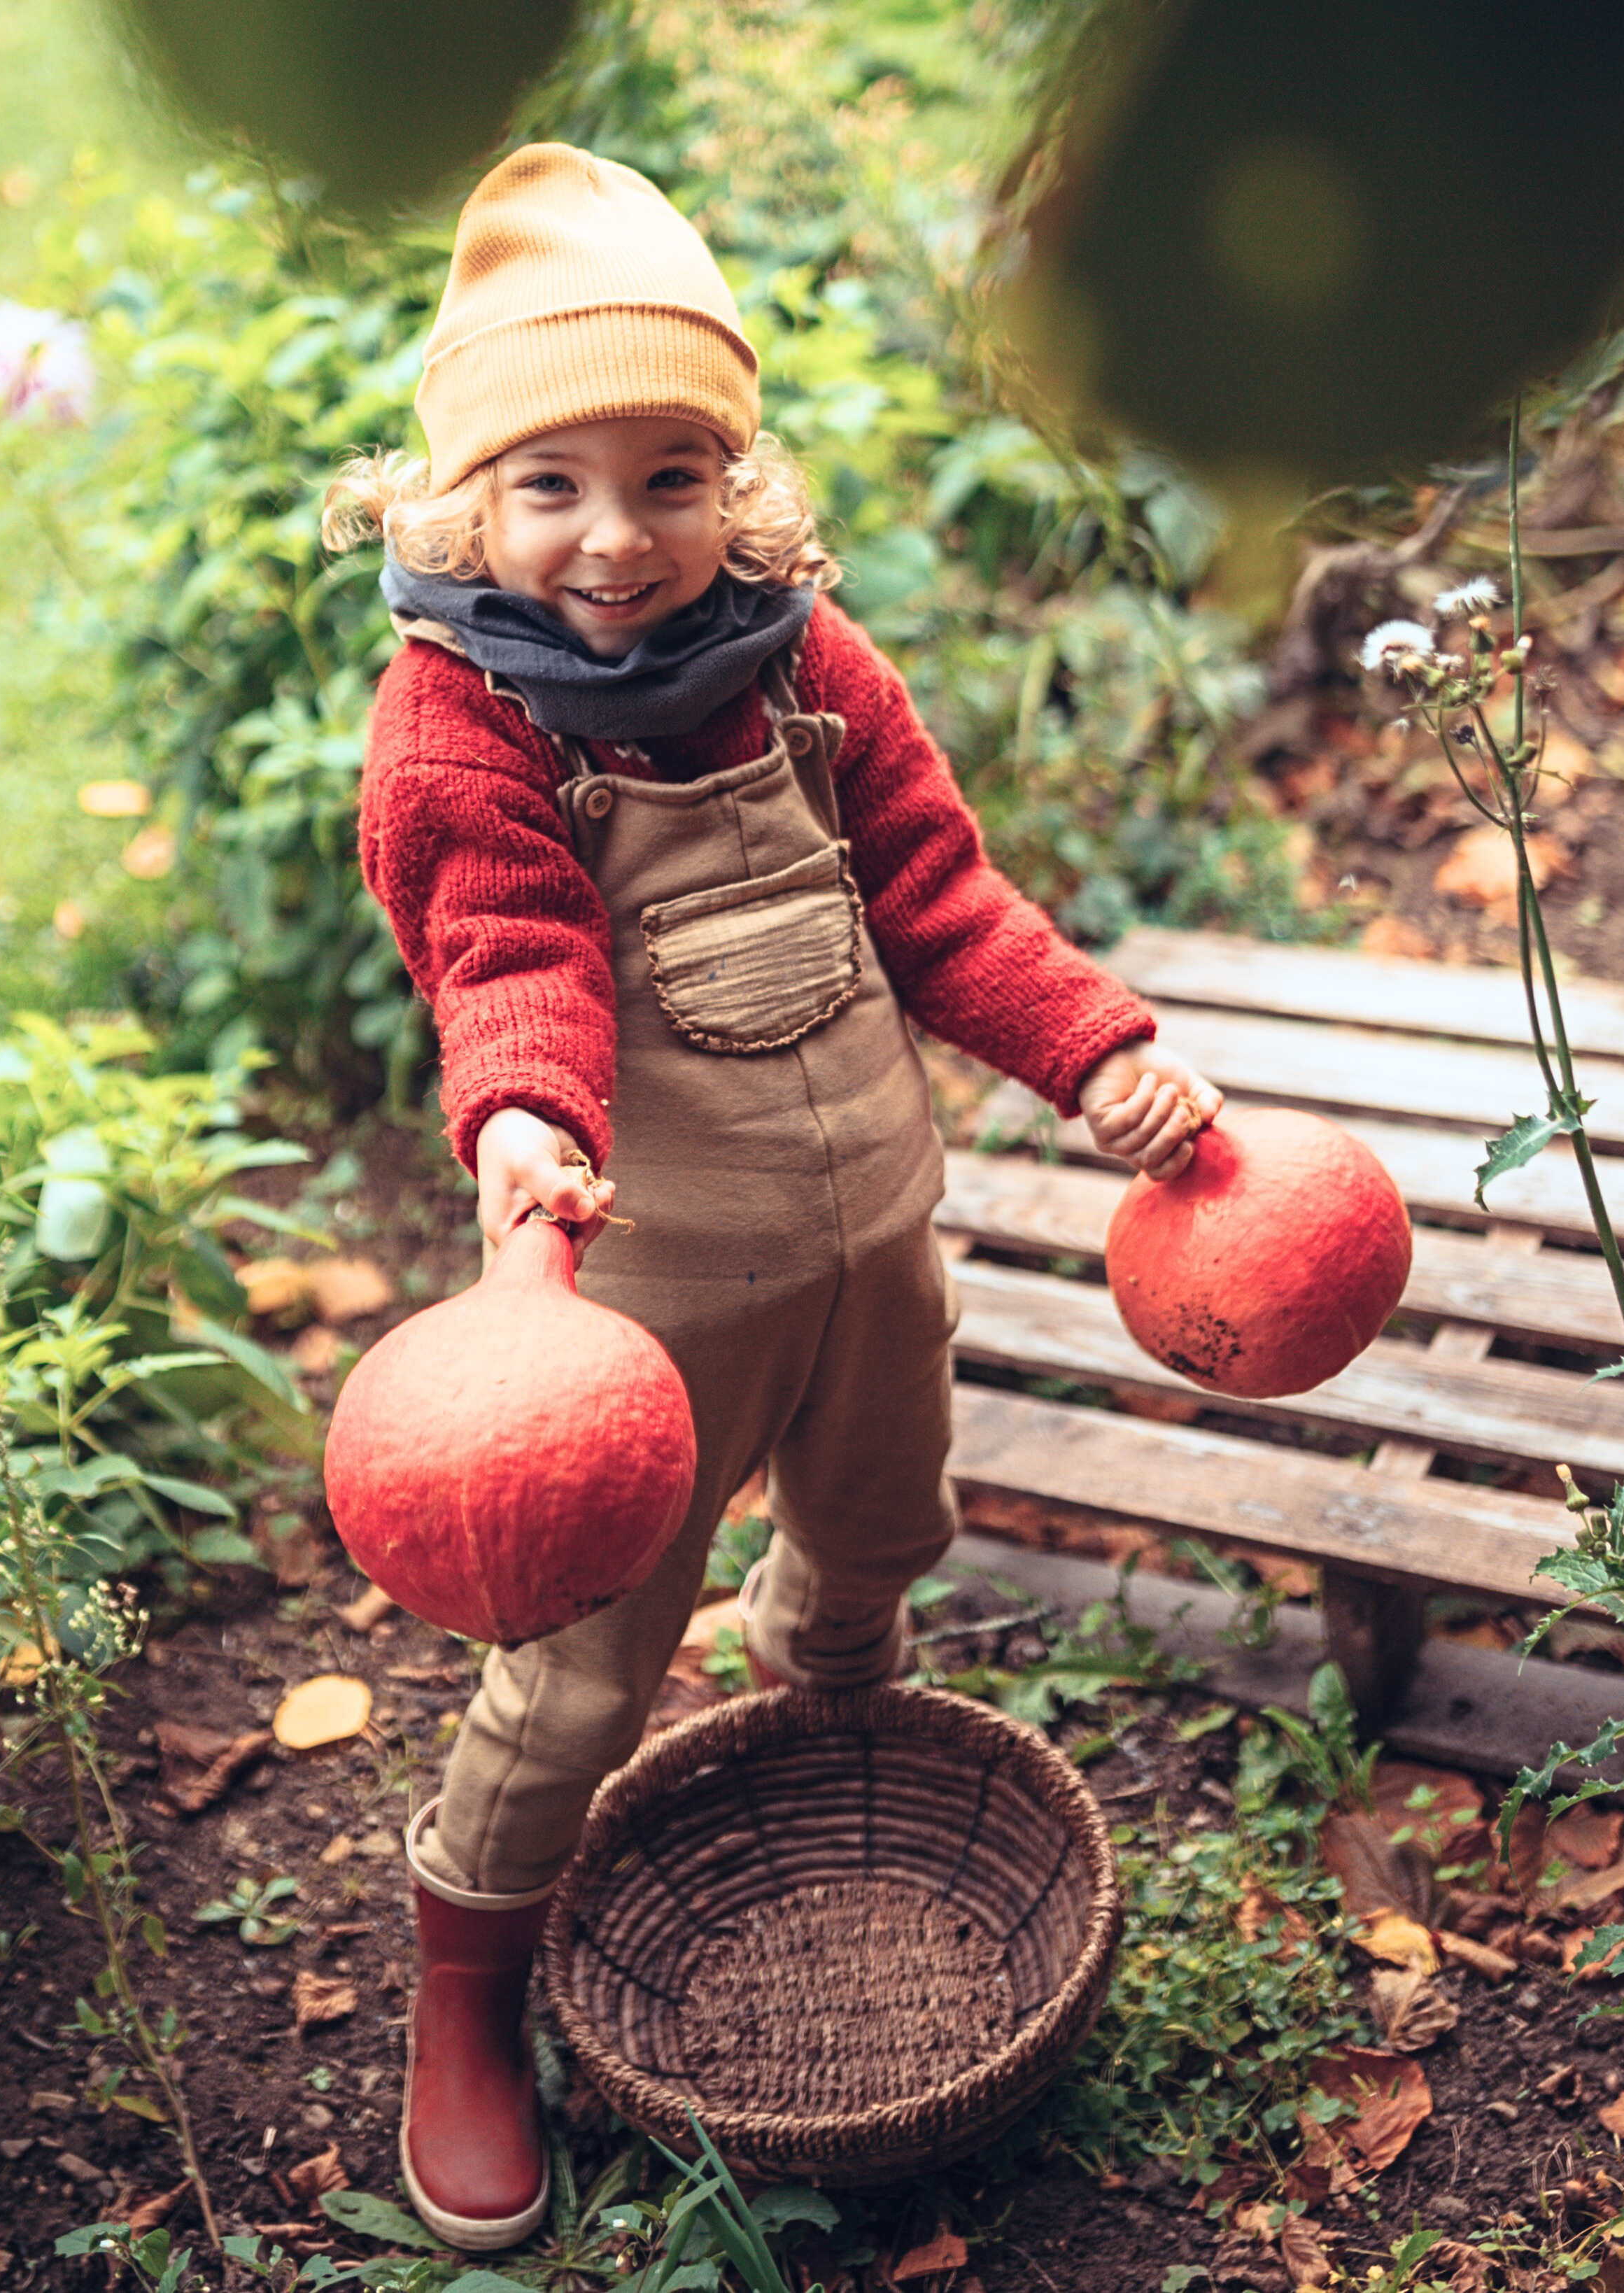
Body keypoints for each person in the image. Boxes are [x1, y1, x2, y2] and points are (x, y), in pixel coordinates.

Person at [327, 142, 1224, 2250]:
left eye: (670, 473)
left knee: (880, 1528)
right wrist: (527, 1134)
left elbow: (940, 897)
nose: (618, 538)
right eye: (552, 483)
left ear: (739, 479)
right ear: (461, 500)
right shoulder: (464, 728)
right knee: (580, 1659)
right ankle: (467, 1993)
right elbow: (513, 961)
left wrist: (1094, 1047)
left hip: (871, 1242)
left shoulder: (807, 664)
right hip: (635, 1298)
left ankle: (829, 1770)